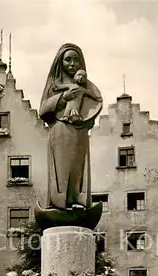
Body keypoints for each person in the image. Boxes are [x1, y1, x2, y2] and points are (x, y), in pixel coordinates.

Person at [39, 43, 102, 210]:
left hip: (79, 131)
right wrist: (63, 98)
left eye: (76, 60)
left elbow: (95, 103)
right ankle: (59, 203)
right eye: (68, 60)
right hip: (60, 130)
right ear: (60, 62)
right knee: (62, 168)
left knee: (77, 168)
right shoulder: (54, 85)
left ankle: (78, 201)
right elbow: (43, 110)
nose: (73, 64)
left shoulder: (85, 85)